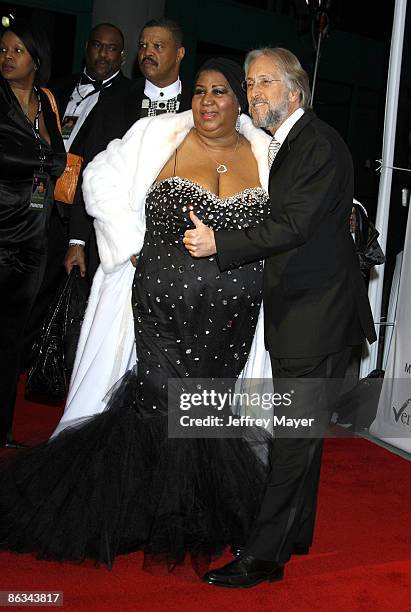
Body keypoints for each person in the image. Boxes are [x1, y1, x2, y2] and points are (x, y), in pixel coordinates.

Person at [0, 58, 272, 571]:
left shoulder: (265, 153)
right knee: (155, 402)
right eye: (199, 92)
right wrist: (130, 244)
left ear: (239, 102)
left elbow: (293, 217)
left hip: (233, 319)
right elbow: (98, 177)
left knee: (206, 407)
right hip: (160, 308)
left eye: (219, 92)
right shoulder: (156, 135)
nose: (207, 102)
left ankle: (192, 514)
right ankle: (138, 514)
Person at [184, 47, 377, 587]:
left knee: (291, 438)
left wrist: (219, 243)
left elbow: (292, 226)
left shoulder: (314, 143)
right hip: (308, 312)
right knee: (303, 434)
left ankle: (263, 555)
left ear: (295, 91)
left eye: (264, 82)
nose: (253, 92)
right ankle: (292, 535)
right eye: (249, 83)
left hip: (317, 315)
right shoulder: (289, 142)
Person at [24, 23, 131, 356]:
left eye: (112, 48)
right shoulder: (58, 87)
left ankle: (49, 358)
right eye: (98, 45)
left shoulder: (130, 97)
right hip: (37, 201)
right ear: (87, 47)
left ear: (122, 55)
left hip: (82, 211)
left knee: (67, 296)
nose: (104, 53)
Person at [64, 17, 191, 281]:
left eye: (158, 46)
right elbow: (92, 168)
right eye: (143, 46)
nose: (147, 53)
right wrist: (77, 240)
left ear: (179, 53)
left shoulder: (197, 104)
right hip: (116, 237)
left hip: (181, 242)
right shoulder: (114, 99)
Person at [0, 20, 66, 449]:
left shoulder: (46, 101)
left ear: (37, 60)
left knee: (12, 342)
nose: (6, 57)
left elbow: (58, 162)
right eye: (2, 49)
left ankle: (2, 429)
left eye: (17, 50)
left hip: (34, 240)